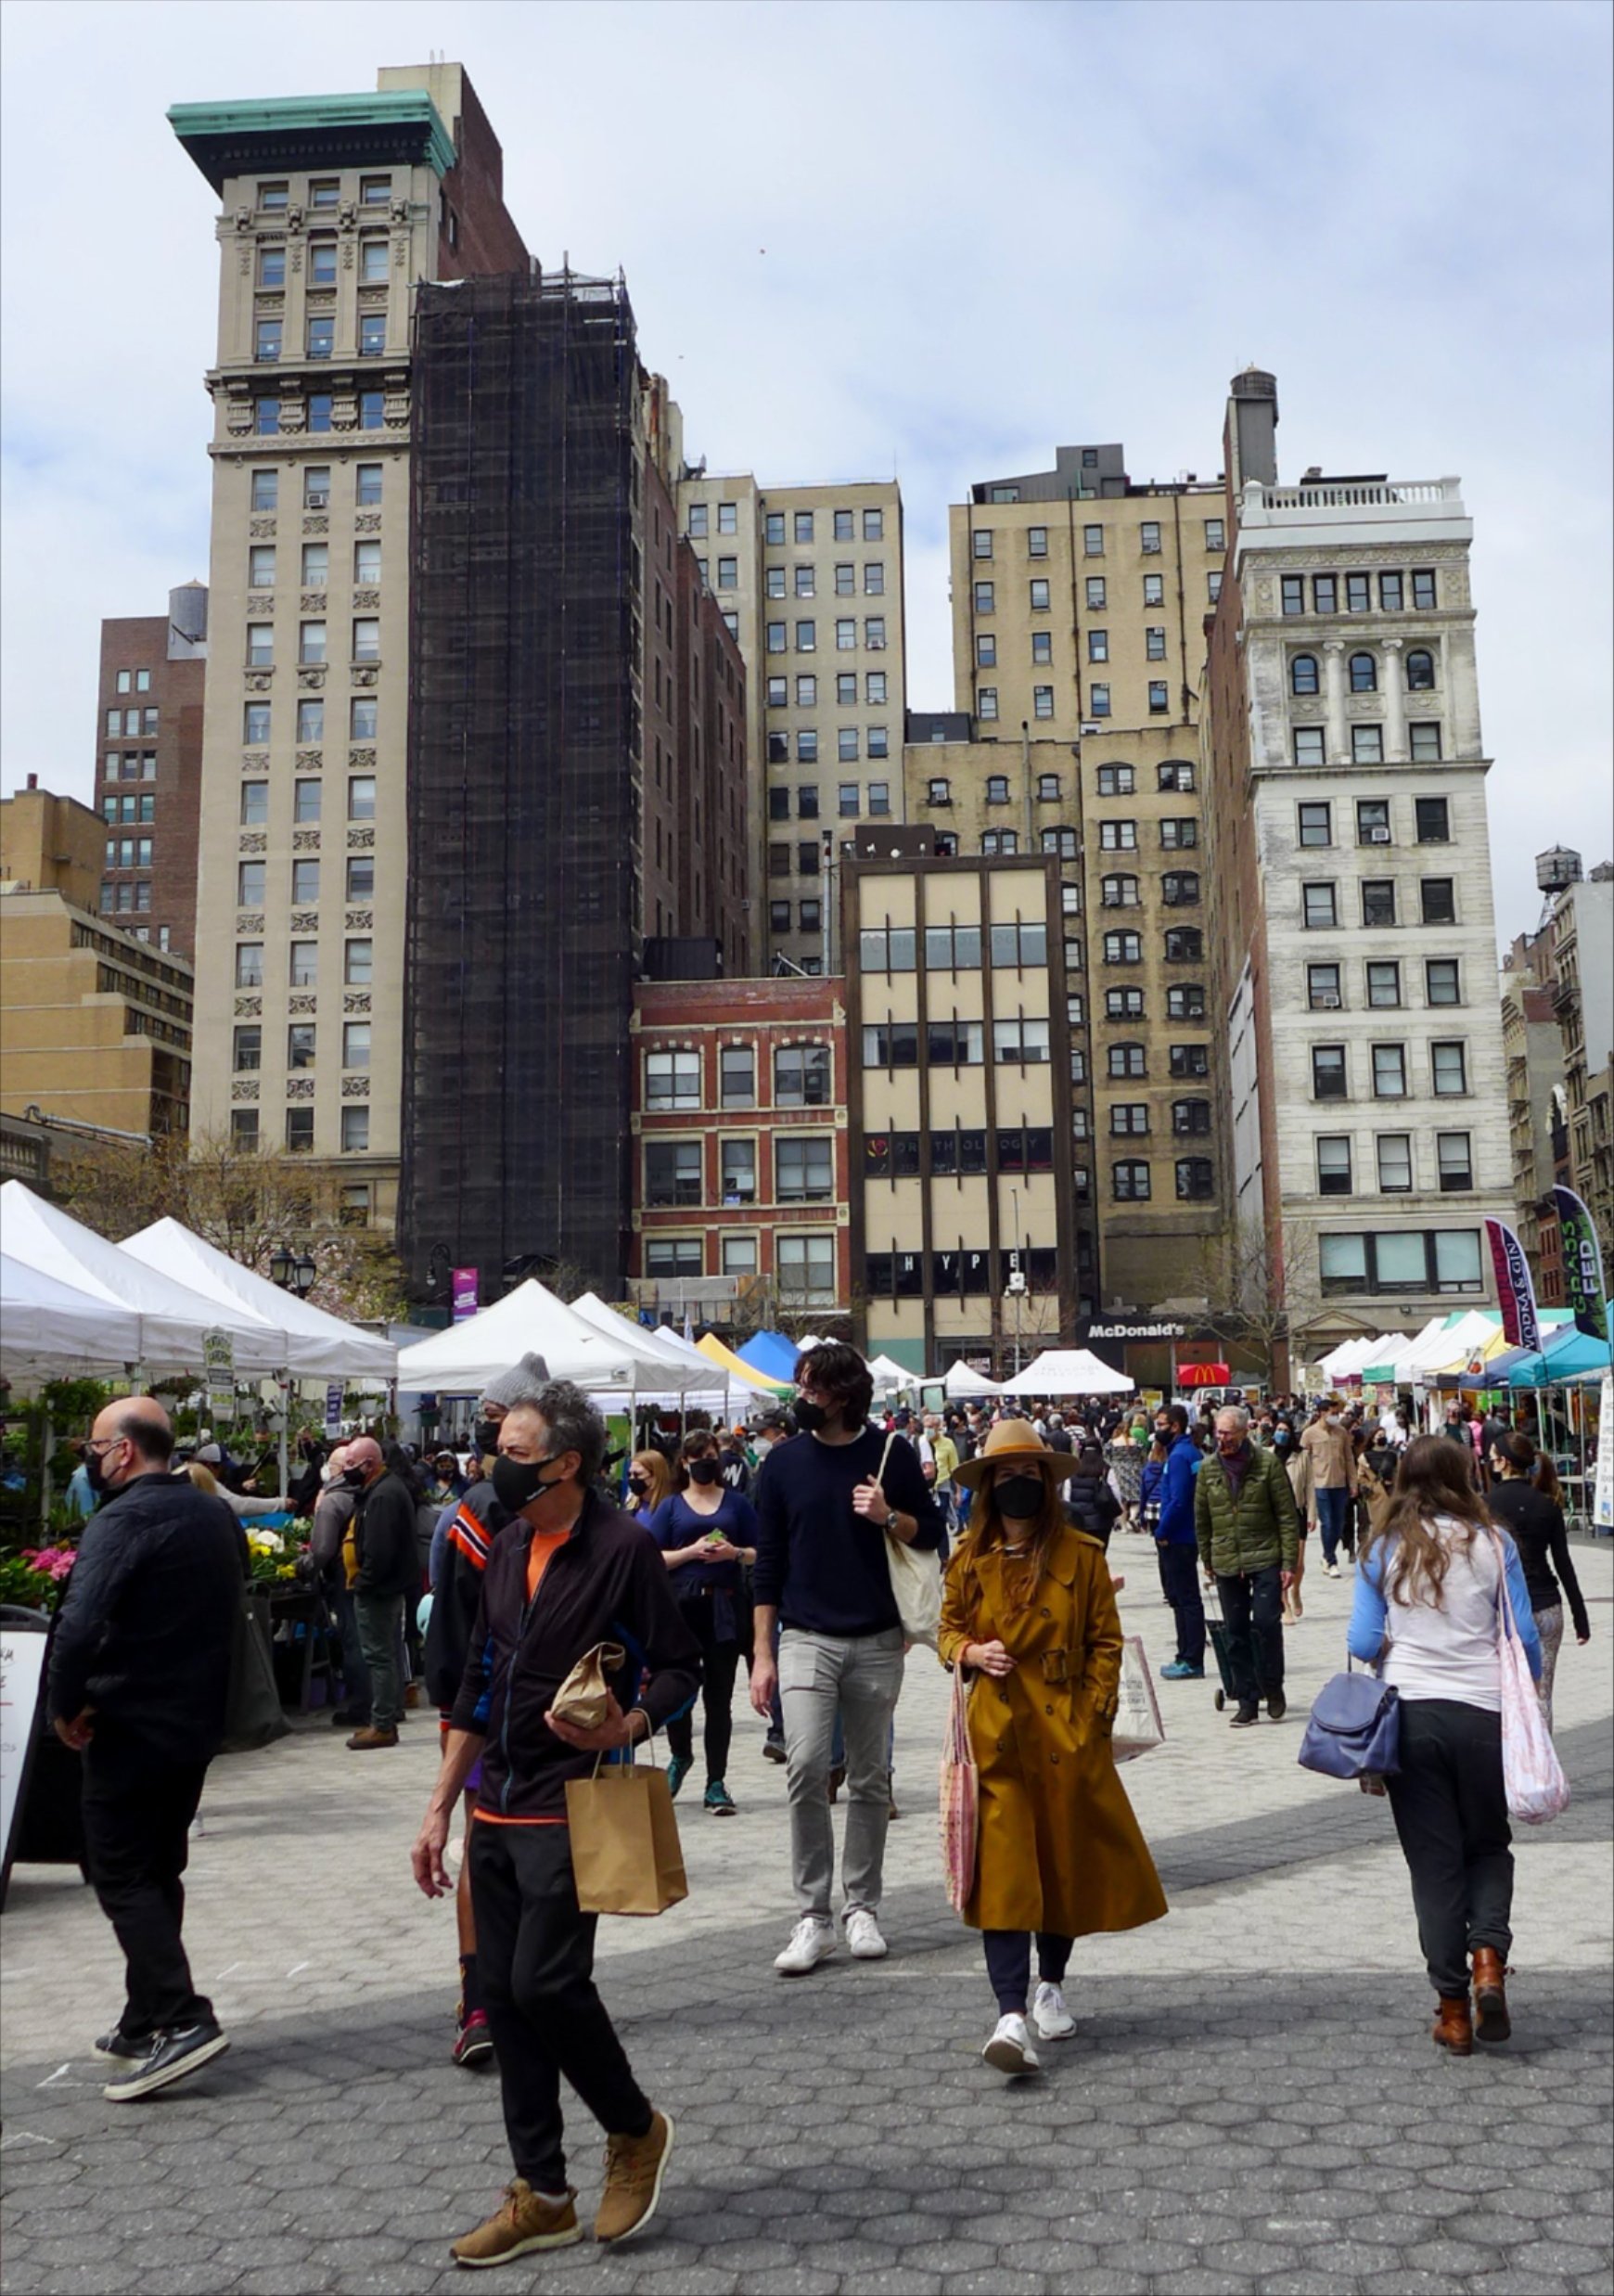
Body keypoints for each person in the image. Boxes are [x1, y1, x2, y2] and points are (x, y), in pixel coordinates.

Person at [411, 1383, 699, 2265]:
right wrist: (438, 1807)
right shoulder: (503, 1548)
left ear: (566, 1462)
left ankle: (634, 2129)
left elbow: (679, 1667)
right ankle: (541, 2192)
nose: (498, 1459)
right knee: (500, 1997)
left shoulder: (623, 1550)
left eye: (516, 1448)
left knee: (544, 1984)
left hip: (571, 1801)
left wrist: (628, 1725)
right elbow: (474, 1684)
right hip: (494, 1802)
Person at [940, 1420, 1167, 2075]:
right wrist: (970, 1650)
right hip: (998, 1737)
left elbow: (1106, 1640)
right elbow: (947, 1628)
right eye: (1004, 1476)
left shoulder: (1081, 1554)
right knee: (1006, 1874)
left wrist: (1094, 1713)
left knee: (1061, 1865)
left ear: (1047, 1482)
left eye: (1028, 1475)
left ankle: (1051, 1983)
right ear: (987, 1486)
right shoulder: (966, 1555)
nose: (1017, 1486)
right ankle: (1009, 2011)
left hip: (1066, 1730)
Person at [45, 1400, 244, 2102]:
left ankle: (182, 2015)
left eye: (95, 1447)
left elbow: (78, 1624)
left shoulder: (122, 1519)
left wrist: (64, 1706)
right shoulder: (212, 1514)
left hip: (127, 1720)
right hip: (193, 1722)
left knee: (120, 1869)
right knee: (159, 1866)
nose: (91, 1458)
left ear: (124, 1451)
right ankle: (144, 2015)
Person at [749, 1340, 944, 1975]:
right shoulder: (780, 1466)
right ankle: (812, 1913)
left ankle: (862, 1906)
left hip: (879, 1637)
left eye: (812, 1388)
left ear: (844, 1393)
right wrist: (761, 1652)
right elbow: (768, 1565)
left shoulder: (890, 1452)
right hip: (804, 1635)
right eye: (799, 1386)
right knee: (806, 1763)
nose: (801, 1398)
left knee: (869, 1775)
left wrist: (890, 1517)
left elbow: (933, 1531)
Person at [1349, 1436, 1541, 2054]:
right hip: (1483, 1712)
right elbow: (1528, 1639)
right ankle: (1488, 1958)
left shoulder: (1383, 1546)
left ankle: (1454, 2010)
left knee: (1434, 1866)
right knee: (1488, 1844)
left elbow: (1362, 1636)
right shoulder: (1494, 1542)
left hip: (1410, 1715)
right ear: (1466, 1477)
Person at [647, 1429, 759, 1815]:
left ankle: (716, 1781)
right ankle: (680, 1756)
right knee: (677, 1690)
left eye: (712, 1455)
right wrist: (691, 1552)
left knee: (719, 1697)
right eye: (699, 1457)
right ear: (685, 1463)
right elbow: (652, 1556)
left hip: (724, 1609)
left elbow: (759, 1552)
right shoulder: (672, 1507)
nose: (707, 1462)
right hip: (680, 1608)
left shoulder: (738, 1504)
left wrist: (733, 1553)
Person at [1195, 1405, 1300, 1728]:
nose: (1221, 1438)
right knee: (1236, 1631)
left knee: (1267, 1624)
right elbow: (1202, 1517)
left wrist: (1288, 1563)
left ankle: (1273, 1685)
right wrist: (1208, 1558)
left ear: (1243, 1432)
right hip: (1228, 1558)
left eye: (1227, 1433)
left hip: (1265, 1555)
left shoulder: (1267, 1465)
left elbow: (1286, 1515)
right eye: (1218, 1432)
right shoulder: (1209, 1469)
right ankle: (1247, 1699)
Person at [1486, 1433, 1590, 1729]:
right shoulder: (1548, 1504)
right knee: (1541, 1694)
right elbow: (1563, 1564)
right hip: (1547, 1606)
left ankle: (1514, 1763)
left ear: (1504, 1463)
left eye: (1492, 1458)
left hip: (1504, 1610)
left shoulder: (1487, 1505)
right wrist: (1580, 1617)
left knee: (1505, 1694)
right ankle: (1544, 1765)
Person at [344, 1437, 421, 1751]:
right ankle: (383, 1720)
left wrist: (363, 1583)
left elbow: (380, 1549)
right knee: (382, 1655)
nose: (347, 1471)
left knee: (379, 1656)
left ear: (369, 1464)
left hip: (379, 1590)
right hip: (383, 1587)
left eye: (351, 1465)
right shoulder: (383, 1489)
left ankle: (383, 1723)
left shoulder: (384, 1495)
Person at [1152, 1405, 1206, 1680]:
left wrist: (1161, 1531)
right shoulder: (1190, 1452)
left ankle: (1190, 1657)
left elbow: (1179, 1499)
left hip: (1178, 1536)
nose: (1157, 1429)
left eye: (1161, 1424)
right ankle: (1187, 1653)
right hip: (1186, 1534)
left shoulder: (1179, 1457)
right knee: (1184, 1597)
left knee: (1184, 1598)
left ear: (1174, 1426)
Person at [1300, 1398, 1356, 1578]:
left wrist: (1353, 1483)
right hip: (1320, 1484)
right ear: (1322, 1413)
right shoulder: (1309, 1434)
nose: (1336, 1416)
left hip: (1340, 1483)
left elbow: (1349, 1459)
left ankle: (1326, 1555)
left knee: (1339, 1524)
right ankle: (1331, 1560)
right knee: (1328, 1522)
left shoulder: (1341, 1433)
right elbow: (1303, 1461)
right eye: (1332, 1413)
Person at [1065, 1441, 1121, 1550]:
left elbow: (1067, 1495)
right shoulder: (1105, 1469)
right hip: (1101, 1521)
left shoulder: (1074, 1469)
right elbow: (1116, 1492)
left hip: (1078, 1520)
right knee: (1099, 1554)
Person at [625, 1448, 676, 1517]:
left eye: (637, 1474)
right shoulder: (630, 1505)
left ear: (655, 1477)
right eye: (629, 1474)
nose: (632, 1478)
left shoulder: (672, 1509)